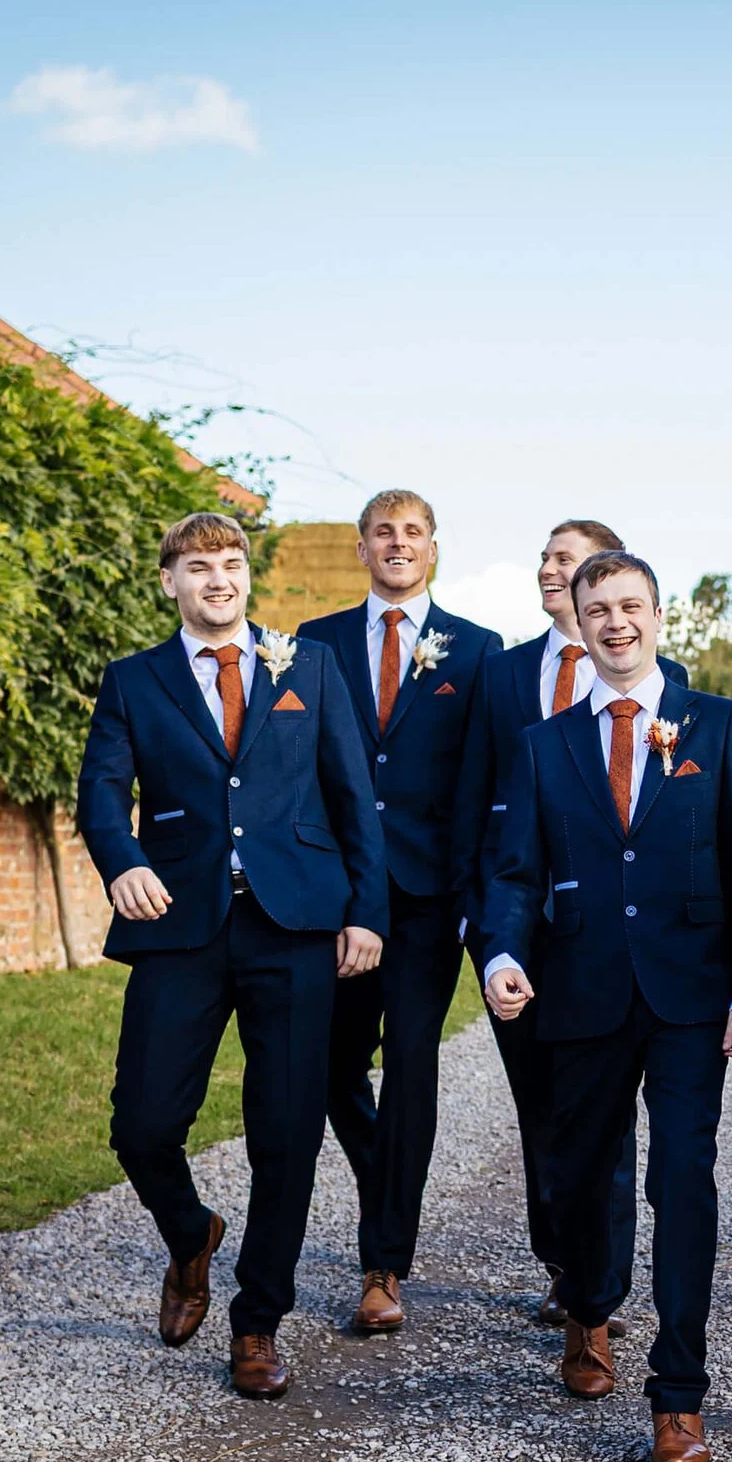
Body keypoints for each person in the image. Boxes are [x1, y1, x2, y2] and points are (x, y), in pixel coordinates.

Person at [78, 512, 387, 1399]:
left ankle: (258, 1319)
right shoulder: (134, 680)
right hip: (180, 919)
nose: (218, 579)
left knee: (286, 1129)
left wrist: (365, 912)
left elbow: (352, 795)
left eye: (231, 563)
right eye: (198, 566)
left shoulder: (307, 666)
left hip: (295, 924)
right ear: (169, 582)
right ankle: (191, 1234)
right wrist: (123, 861)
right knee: (141, 1123)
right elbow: (101, 792)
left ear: (247, 575)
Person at [479, 550, 732, 1462]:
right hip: (581, 988)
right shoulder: (544, 743)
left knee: (682, 1176)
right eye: (597, 607)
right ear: (577, 617)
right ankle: (591, 1306)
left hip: (689, 994)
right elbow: (512, 871)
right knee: (578, 1174)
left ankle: (678, 1392)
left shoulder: (720, 724)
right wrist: (503, 953)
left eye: (630, 605)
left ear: (658, 614)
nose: (615, 622)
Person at [455, 519, 687, 1330]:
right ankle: (569, 1271)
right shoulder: (509, 684)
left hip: (633, 946)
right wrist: (489, 930)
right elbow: (483, 808)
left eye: (570, 557)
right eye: (548, 557)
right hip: (534, 935)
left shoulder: (679, 697)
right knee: (552, 1118)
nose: (551, 567)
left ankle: (609, 1297)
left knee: (621, 1126)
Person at [299, 491, 502, 1335]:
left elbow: (480, 779)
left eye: (412, 531)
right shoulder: (312, 642)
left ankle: (384, 1262)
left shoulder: (478, 650)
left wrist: (469, 896)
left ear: (432, 548)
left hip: (426, 901)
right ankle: (388, 1173)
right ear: (361, 548)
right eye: (383, 531)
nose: (397, 542)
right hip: (341, 894)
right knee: (329, 1066)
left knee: (413, 1064)